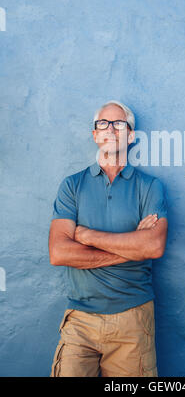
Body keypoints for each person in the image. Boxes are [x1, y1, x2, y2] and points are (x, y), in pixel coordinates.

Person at [48, 100, 168, 377]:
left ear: (131, 135)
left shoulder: (149, 186)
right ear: (94, 134)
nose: (110, 129)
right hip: (80, 319)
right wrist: (131, 247)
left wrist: (86, 235)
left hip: (133, 318)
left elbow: (153, 245)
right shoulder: (72, 185)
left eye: (119, 124)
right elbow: (60, 253)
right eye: (103, 123)